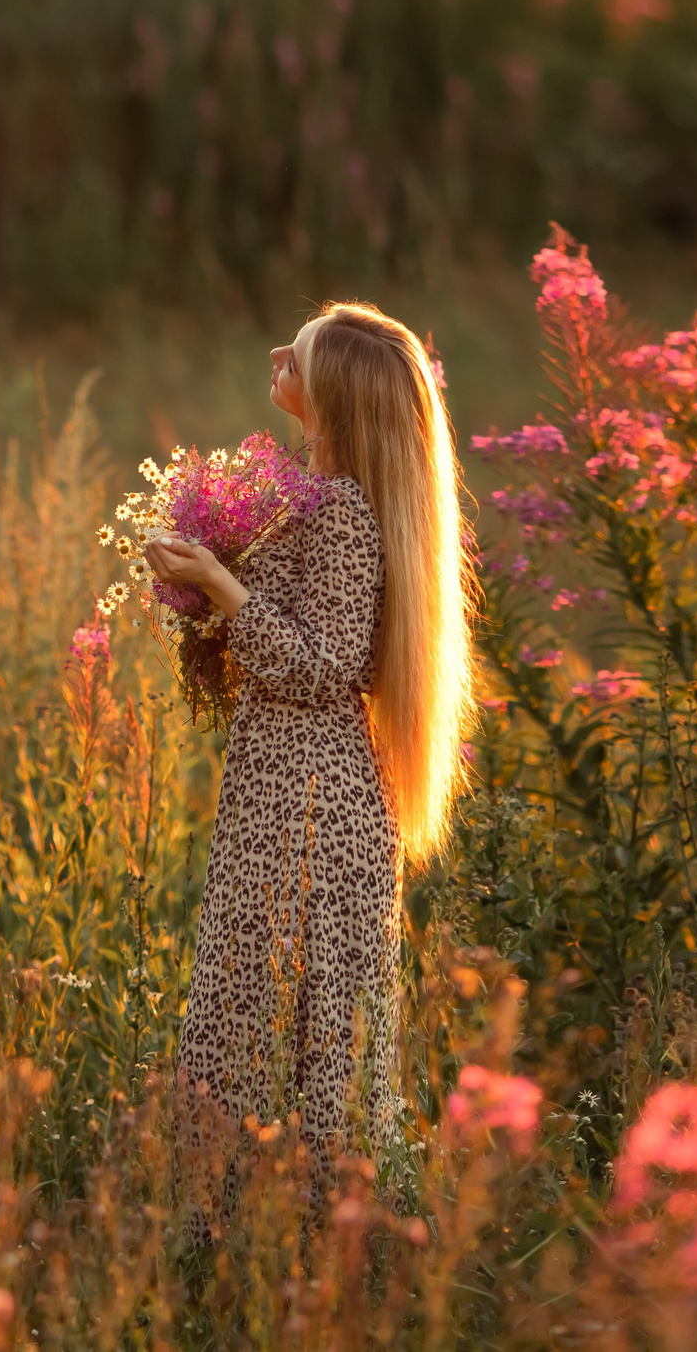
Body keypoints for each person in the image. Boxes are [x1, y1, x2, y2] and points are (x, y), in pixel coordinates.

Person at [144, 302, 476, 1189]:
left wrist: (218, 583)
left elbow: (327, 667)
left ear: (332, 393)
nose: (275, 356)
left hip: (312, 798)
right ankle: (275, 1223)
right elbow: (287, 646)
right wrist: (201, 588)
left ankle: (282, 1226)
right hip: (289, 783)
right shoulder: (309, 500)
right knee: (273, 1002)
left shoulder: (338, 511)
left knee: (282, 1007)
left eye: (296, 356)